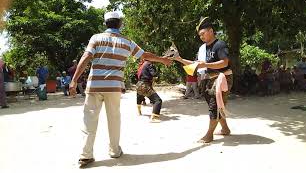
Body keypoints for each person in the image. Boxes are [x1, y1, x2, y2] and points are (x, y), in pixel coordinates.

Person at [69, 11, 171, 167]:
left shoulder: (96, 38)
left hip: (94, 86)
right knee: (114, 119)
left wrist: (74, 81)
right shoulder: (127, 42)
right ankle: (115, 151)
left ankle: (86, 155)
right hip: (114, 87)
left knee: (89, 120)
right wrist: (163, 60)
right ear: (120, 24)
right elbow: (145, 55)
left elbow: (85, 58)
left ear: (105, 24)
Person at [172, 17, 233, 143]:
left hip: (222, 78)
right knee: (217, 106)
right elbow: (196, 64)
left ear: (211, 31)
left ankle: (209, 135)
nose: (201, 37)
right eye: (199, 35)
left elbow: (224, 62)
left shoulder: (219, 45)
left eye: (203, 33)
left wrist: (205, 65)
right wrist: (179, 59)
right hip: (209, 79)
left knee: (214, 106)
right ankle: (225, 129)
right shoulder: (203, 48)